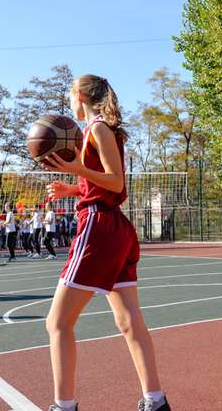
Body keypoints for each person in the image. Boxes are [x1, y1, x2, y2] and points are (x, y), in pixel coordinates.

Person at [43, 73, 169, 411]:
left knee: (57, 323)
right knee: (129, 321)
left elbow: (115, 183)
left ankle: (64, 406)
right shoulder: (97, 129)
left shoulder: (97, 128)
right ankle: (155, 401)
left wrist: (78, 170)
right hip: (114, 227)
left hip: (99, 227)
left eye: (70, 95)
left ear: (81, 96)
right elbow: (102, 185)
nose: (69, 101)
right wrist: (74, 188)